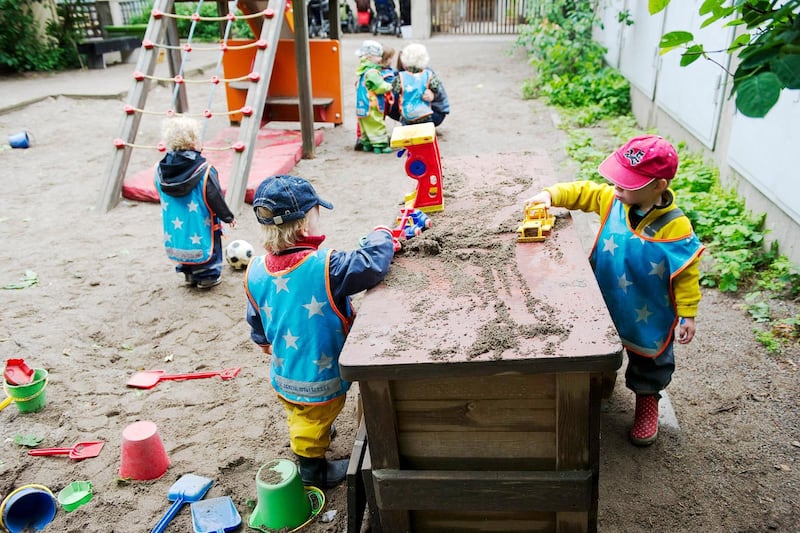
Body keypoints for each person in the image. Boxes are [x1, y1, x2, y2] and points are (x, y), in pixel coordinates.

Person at [524, 135, 704, 446]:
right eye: (617, 180)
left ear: (659, 186)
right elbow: (584, 192)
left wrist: (687, 313)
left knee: (649, 359)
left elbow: (686, 274)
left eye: (627, 183)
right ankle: (602, 382)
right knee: (600, 341)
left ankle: (647, 401)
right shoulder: (614, 200)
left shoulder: (676, 227)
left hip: (649, 309)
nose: (617, 188)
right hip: (607, 296)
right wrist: (550, 195)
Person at [244, 174, 395, 487]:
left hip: (285, 367)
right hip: (316, 376)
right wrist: (381, 234)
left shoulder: (255, 269)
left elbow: (255, 314)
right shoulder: (328, 266)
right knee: (309, 421)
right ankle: (313, 470)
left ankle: (318, 429)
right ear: (302, 227)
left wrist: (261, 339)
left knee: (304, 412)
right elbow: (373, 264)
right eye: (316, 214)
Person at [155, 116, 236, 289]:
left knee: (184, 243)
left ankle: (189, 274)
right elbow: (214, 196)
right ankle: (207, 276)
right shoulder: (204, 170)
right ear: (193, 142)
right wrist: (227, 217)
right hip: (201, 221)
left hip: (176, 222)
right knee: (206, 242)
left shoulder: (160, 170)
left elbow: (159, 190)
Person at [393, 42, 450, 126]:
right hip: (412, 111)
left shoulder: (428, 73)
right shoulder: (401, 75)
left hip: (429, 111)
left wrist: (433, 95)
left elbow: (439, 91)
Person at [355, 39, 394, 154]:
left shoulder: (362, 71)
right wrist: (389, 86)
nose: (381, 59)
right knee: (376, 124)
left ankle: (367, 144)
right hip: (372, 105)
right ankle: (379, 145)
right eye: (378, 56)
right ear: (369, 57)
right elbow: (379, 86)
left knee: (365, 125)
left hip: (362, 105)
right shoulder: (372, 72)